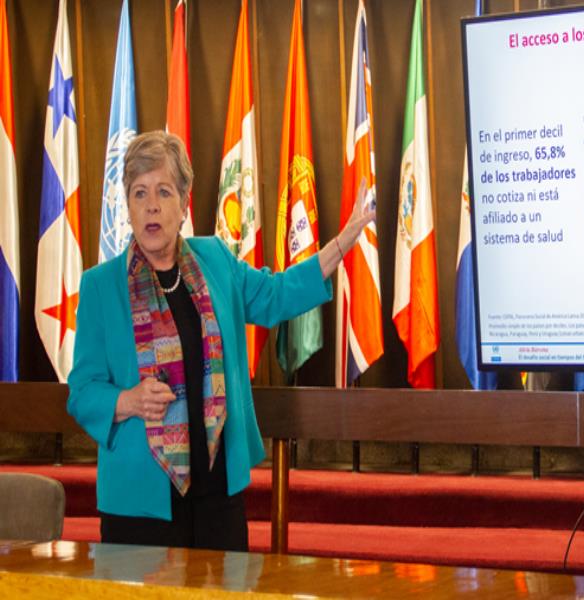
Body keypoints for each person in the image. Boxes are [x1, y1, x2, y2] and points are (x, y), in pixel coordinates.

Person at [67, 130, 373, 551]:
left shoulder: (215, 260)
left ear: (184, 204)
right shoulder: (101, 287)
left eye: (163, 191)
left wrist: (343, 243)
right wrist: (129, 401)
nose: (151, 205)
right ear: (129, 205)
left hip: (217, 494)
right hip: (139, 503)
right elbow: (82, 393)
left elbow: (275, 294)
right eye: (139, 193)